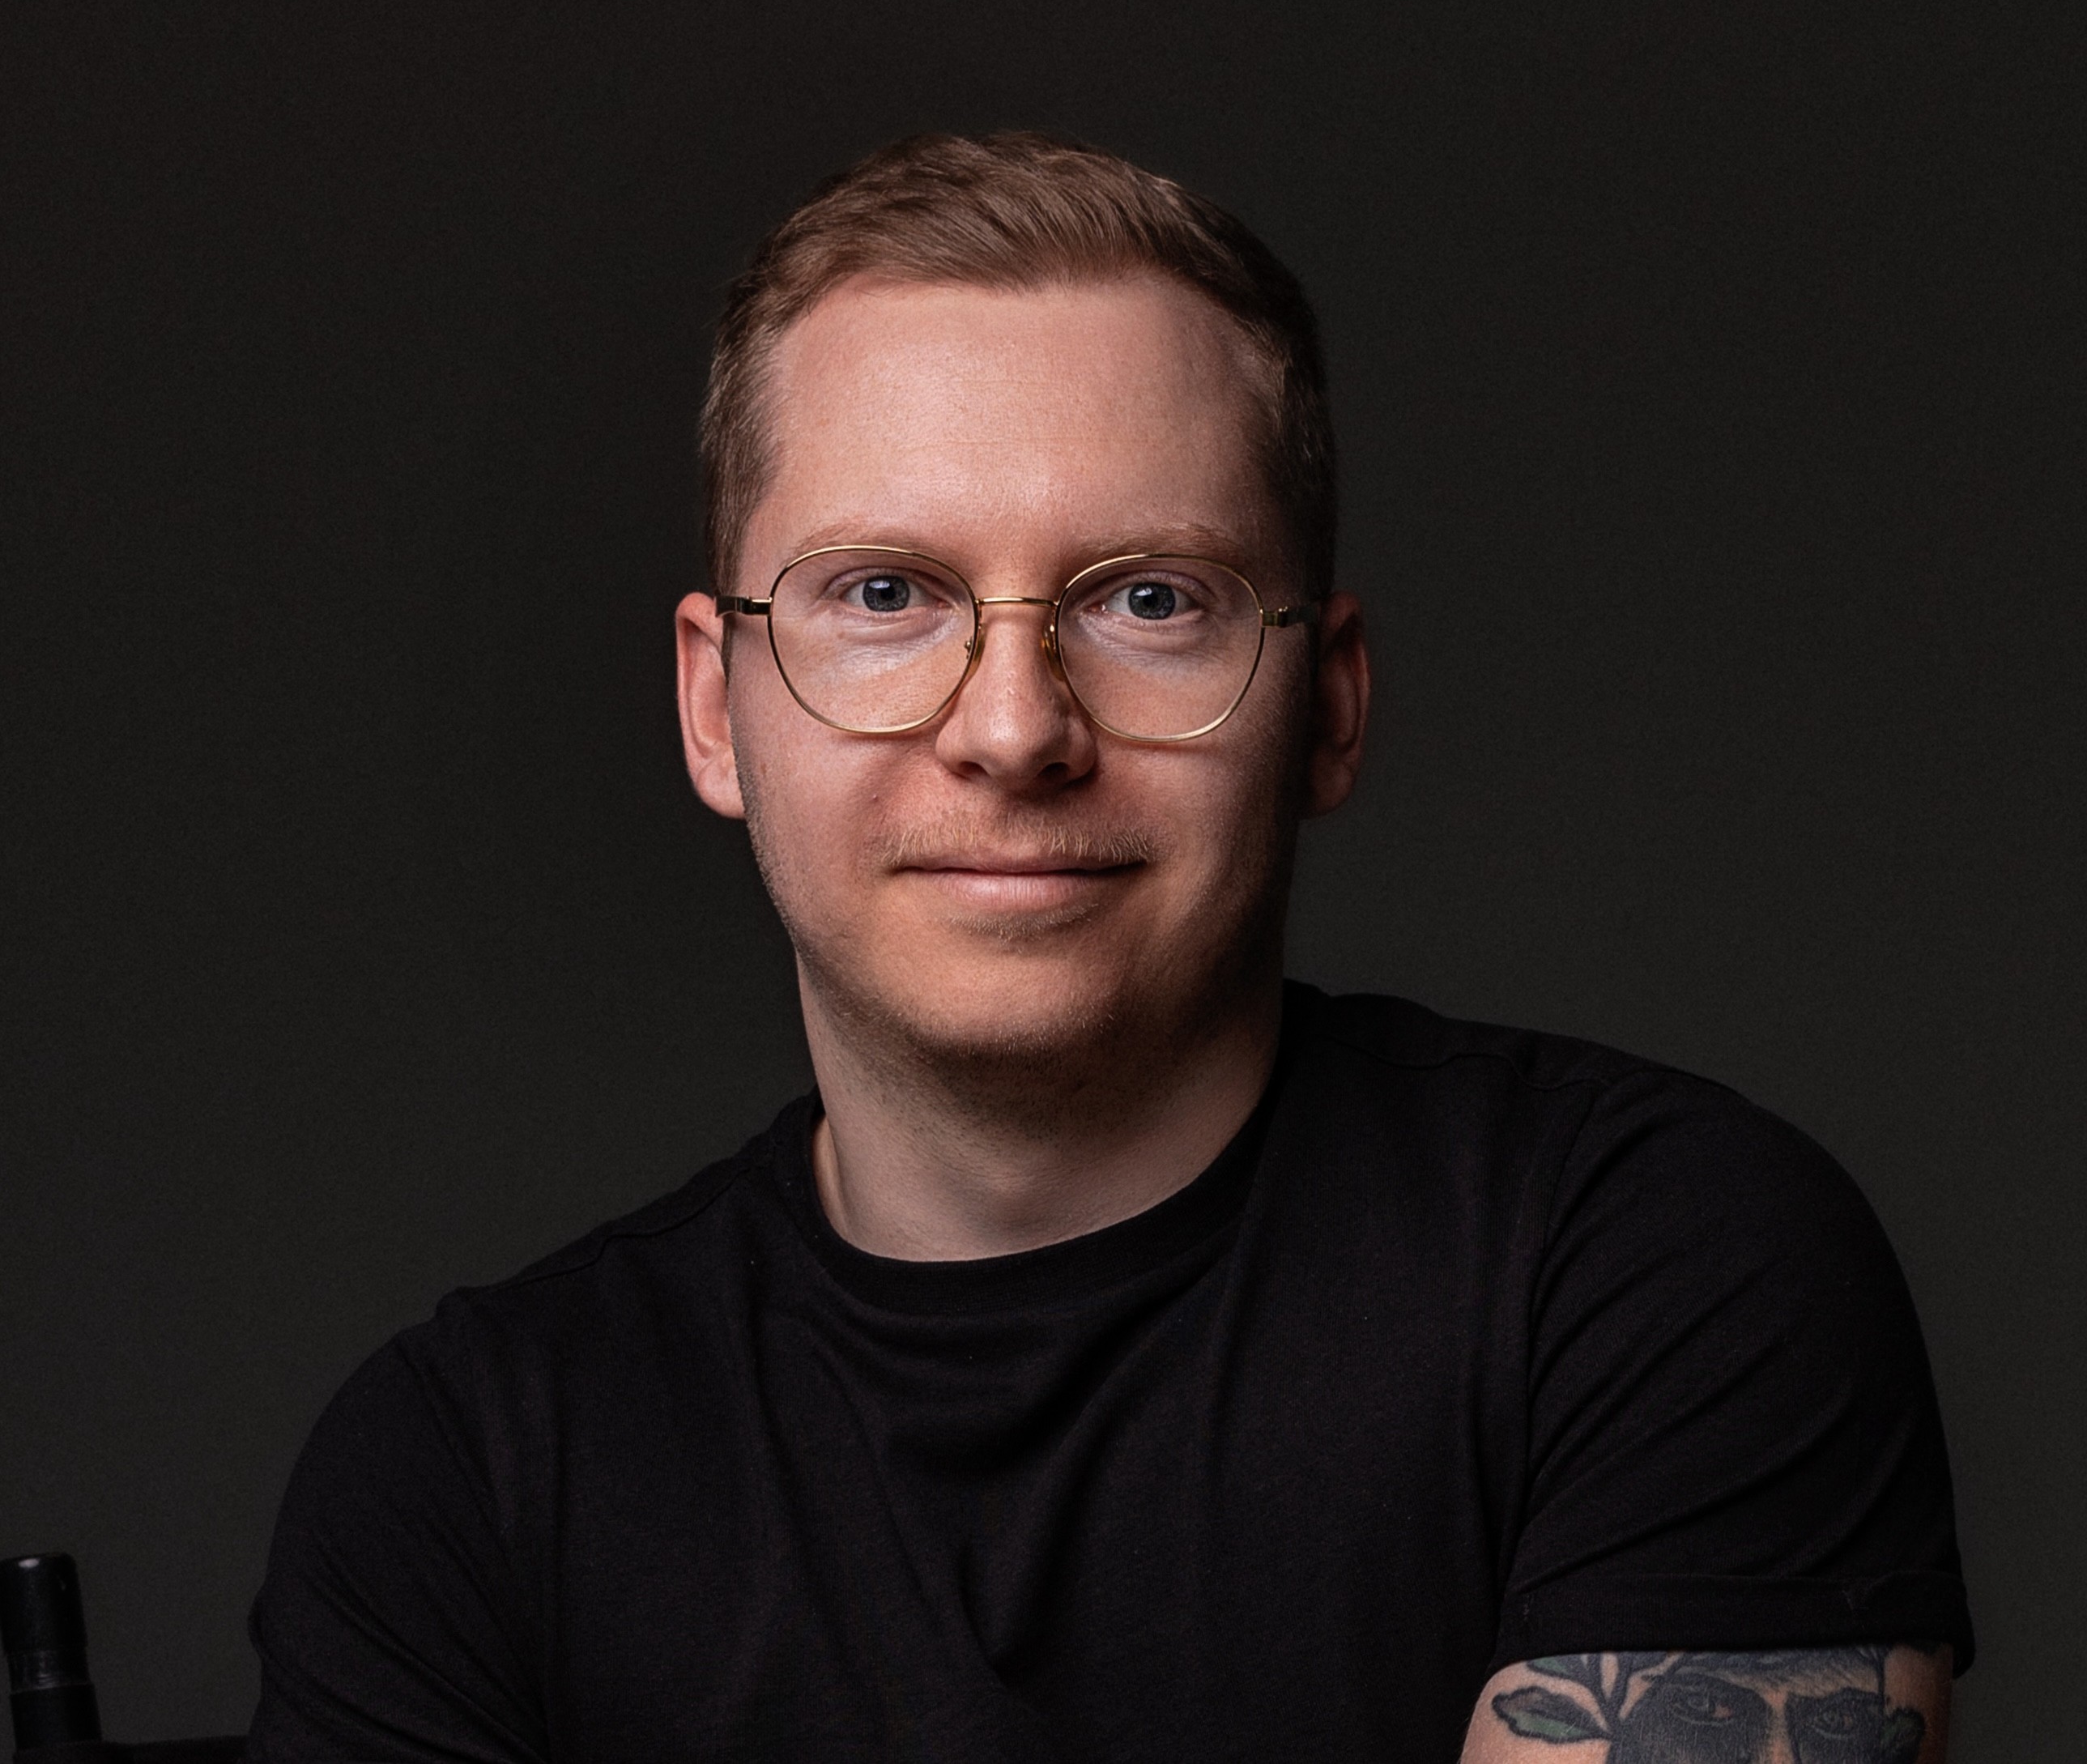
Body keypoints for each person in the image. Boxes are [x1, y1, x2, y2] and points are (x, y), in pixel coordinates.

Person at [245, 133, 1972, 1763]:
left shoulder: (1655, 1265)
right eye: (882, 594)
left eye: (1149, 599)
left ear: (1325, 705)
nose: (1012, 729)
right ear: (716, 706)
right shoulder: (462, 1471)